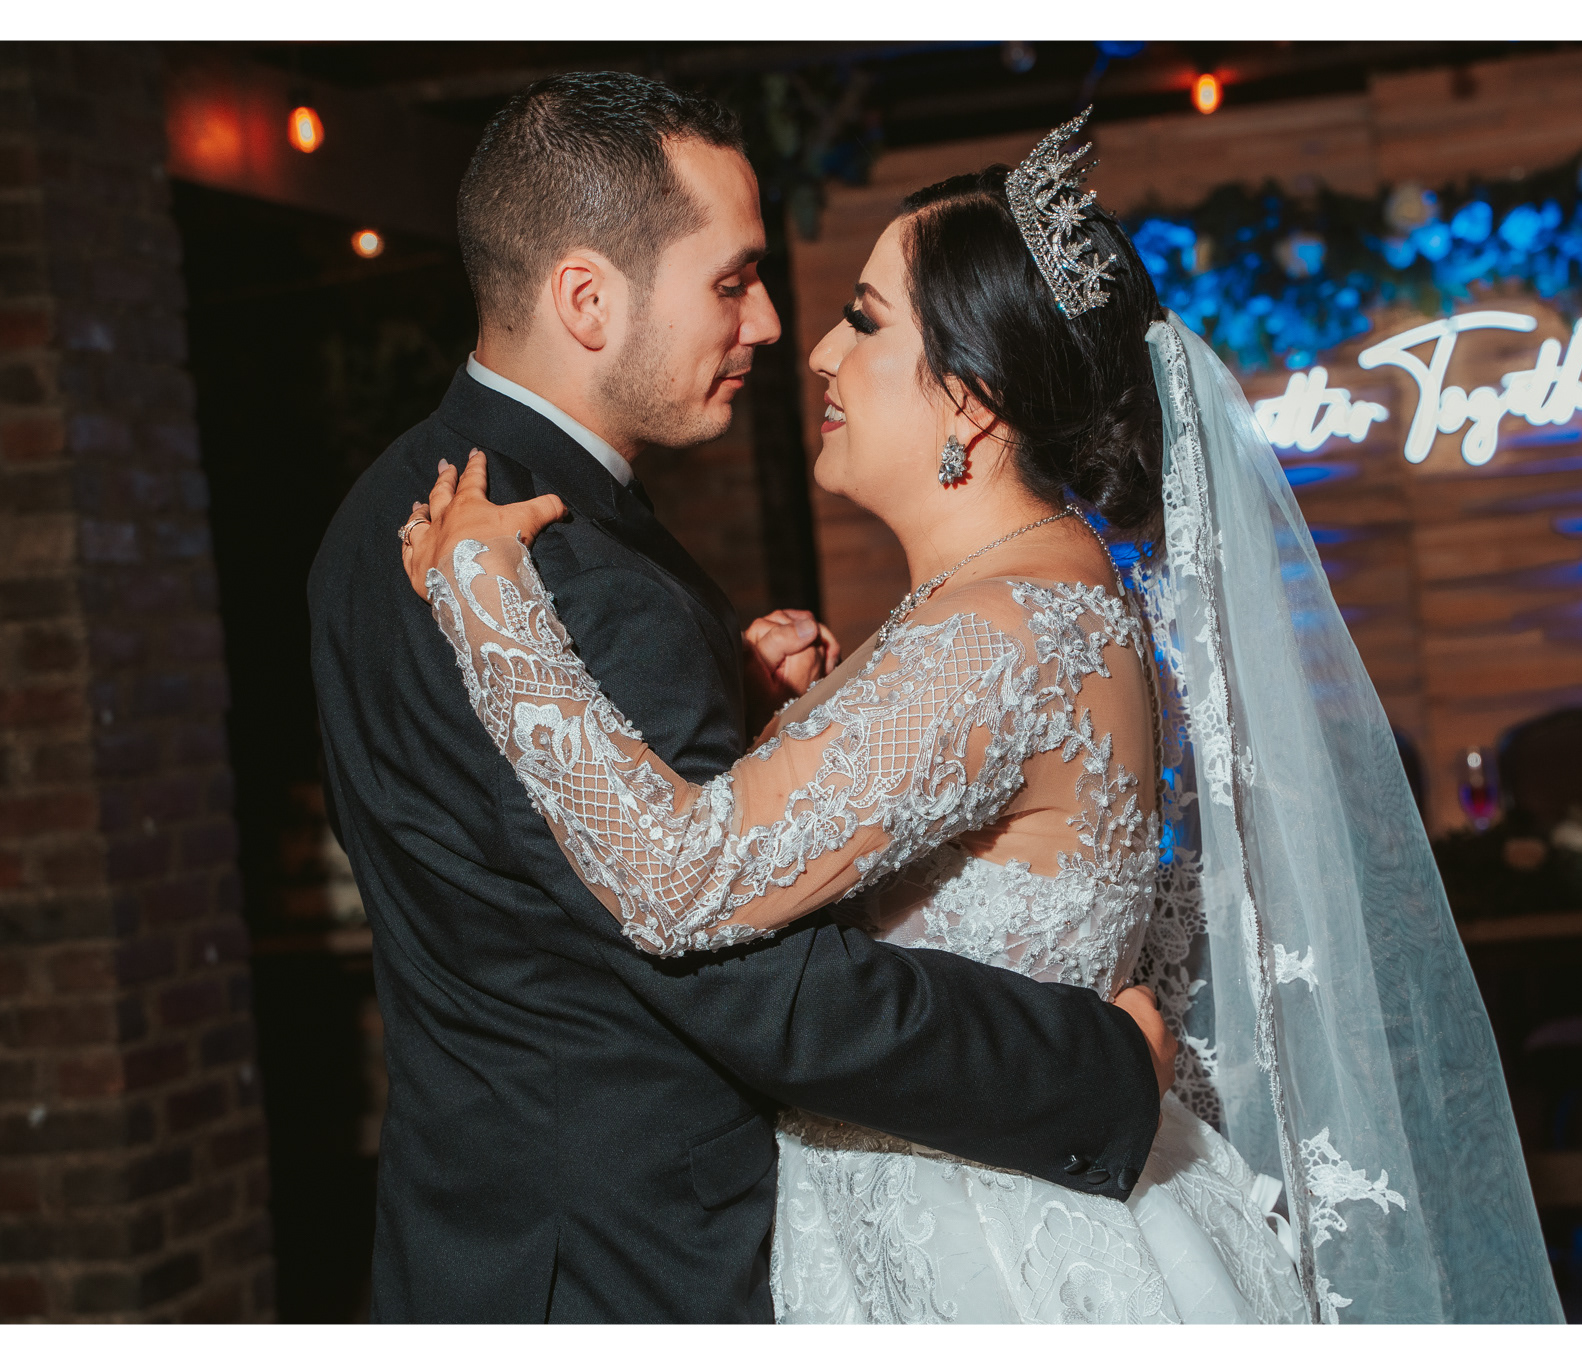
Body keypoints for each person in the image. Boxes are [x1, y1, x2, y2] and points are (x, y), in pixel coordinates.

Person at [395, 110, 1566, 1323]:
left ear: (971, 399)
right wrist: (766, 719)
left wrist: (486, 598)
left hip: (993, 1254)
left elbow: (680, 882)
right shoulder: (1012, 596)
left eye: (864, 320)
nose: (817, 353)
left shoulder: (1002, 631)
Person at [309, 73, 1176, 1324]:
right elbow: (749, 978)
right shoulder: (538, 559)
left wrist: (750, 709)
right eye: (732, 281)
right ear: (586, 300)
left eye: (857, 319)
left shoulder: (405, 503)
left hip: (497, 1231)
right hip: (626, 1268)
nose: (781, 329)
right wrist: (1094, 1069)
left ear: (972, 398)